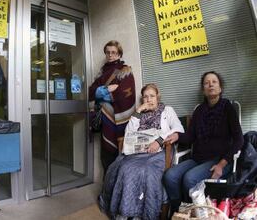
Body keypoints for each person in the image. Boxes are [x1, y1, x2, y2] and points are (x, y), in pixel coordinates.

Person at [99, 83, 184, 219]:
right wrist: (138, 110)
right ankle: (125, 212)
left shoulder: (167, 110)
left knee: (145, 171)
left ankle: (141, 214)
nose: (149, 99)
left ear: (158, 97)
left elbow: (178, 128)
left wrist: (159, 141)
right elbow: (129, 133)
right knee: (120, 167)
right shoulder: (139, 114)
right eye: (145, 97)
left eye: (152, 96)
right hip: (138, 152)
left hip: (160, 151)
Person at [163, 71, 244, 213]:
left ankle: (193, 212)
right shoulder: (200, 110)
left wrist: (221, 164)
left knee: (189, 179)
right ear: (203, 90)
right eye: (206, 83)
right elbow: (190, 137)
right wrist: (177, 136)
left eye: (214, 82)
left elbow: (239, 140)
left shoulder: (227, 108)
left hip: (220, 160)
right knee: (170, 176)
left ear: (220, 88)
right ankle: (179, 210)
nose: (210, 84)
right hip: (198, 159)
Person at [89, 40, 136, 172]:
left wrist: (107, 95)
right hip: (105, 122)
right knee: (106, 157)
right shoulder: (102, 72)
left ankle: (117, 191)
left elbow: (127, 94)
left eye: (114, 52)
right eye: (108, 52)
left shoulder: (125, 71)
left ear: (119, 54)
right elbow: (91, 91)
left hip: (119, 123)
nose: (110, 55)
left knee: (120, 158)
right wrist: (103, 91)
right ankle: (107, 191)